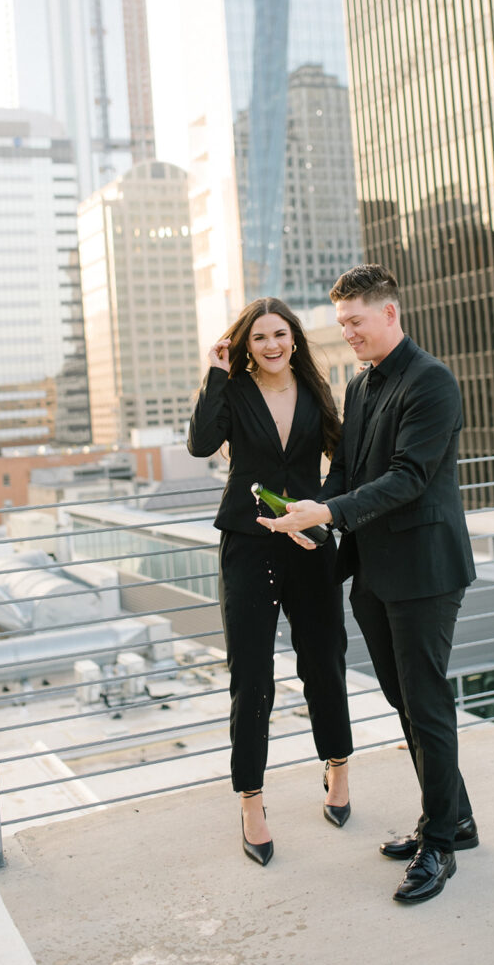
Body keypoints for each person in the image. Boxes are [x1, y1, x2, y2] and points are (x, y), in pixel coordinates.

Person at [257, 264, 477, 903]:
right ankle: (454, 818)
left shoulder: (431, 381)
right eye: (341, 321)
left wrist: (328, 512)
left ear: (390, 313)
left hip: (427, 572)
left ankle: (439, 844)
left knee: (427, 703)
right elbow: (349, 471)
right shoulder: (360, 385)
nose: (346, 331)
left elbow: (409, 477)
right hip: (375, 571)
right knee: (404, 700)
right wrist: (311, 517)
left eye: (355, 320)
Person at [188, 298, 353, 867]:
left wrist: (322, 508)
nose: (272, 345)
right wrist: (212, 373)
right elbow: (201, 445)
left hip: (308, 542)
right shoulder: (232, 392)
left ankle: (338, 768)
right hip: (248, 543)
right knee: (252, 674)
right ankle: (252, 801)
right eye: (259, 338)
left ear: (295, 339)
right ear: (244, 345)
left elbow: (344, 460)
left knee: (324, 660)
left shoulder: (316, 389)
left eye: (280, 334)